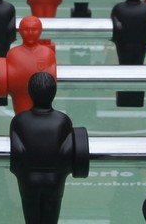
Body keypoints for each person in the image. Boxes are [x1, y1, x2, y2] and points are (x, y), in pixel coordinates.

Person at [10, 72, 89, 224]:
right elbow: (67, 149)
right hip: (55, 179)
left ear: (30, 92)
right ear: (54, 92)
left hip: (28, 179)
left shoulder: (20, 120)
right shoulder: (63, 120)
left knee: (31, 215)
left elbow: (16, 150)